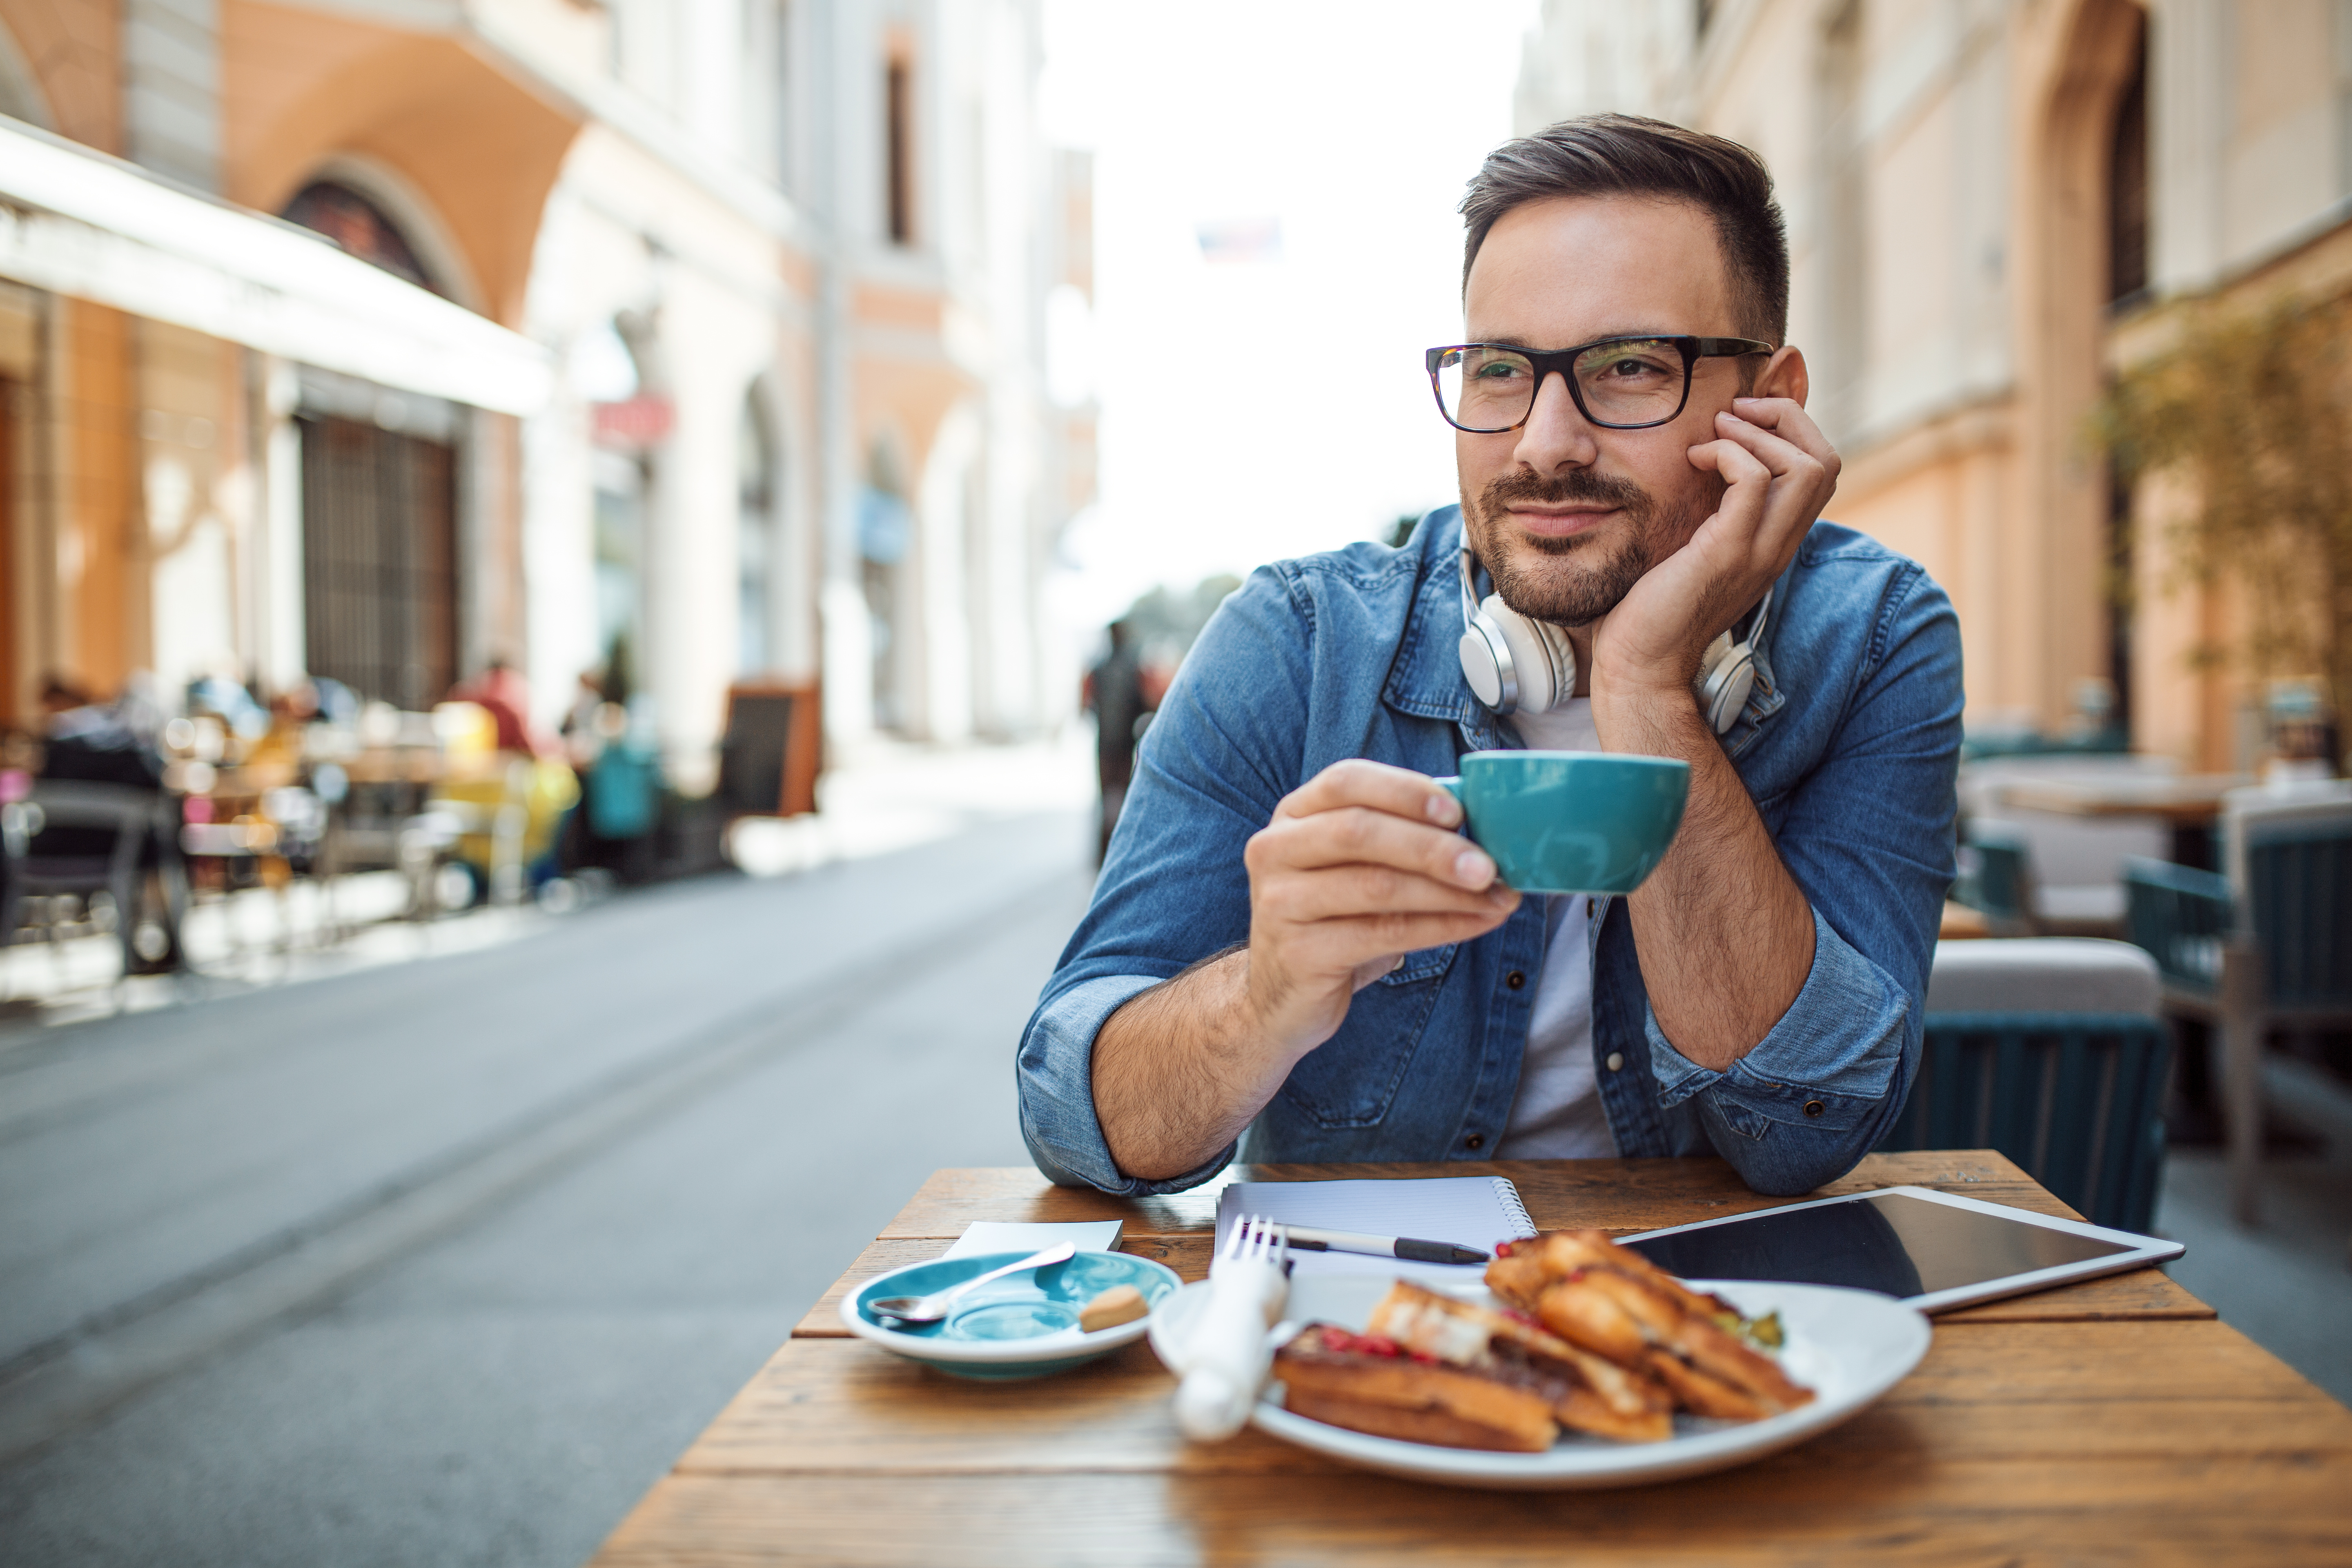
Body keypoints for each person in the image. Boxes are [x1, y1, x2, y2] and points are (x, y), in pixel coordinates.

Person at [1017, 115, 1962, 1198]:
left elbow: (1804, 1134)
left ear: (1771, 401)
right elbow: (1071, 1115)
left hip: (1702, 1330)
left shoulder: (1879, 637)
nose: (1545, 443)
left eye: (1629, 368)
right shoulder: (1298, 642)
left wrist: (1646, 682)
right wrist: (1263, 996)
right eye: (1501, 371)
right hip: (1367, 1333)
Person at [1084, 619, 1149, 864]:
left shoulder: (1098, 669)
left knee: (1105, 799)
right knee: (1125, 799)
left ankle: (1103, 854)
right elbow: (1145, 704)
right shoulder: (1134, 668)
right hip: (1125, 745)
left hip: (1104, 745)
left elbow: (1087, 705)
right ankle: (1120, 852)